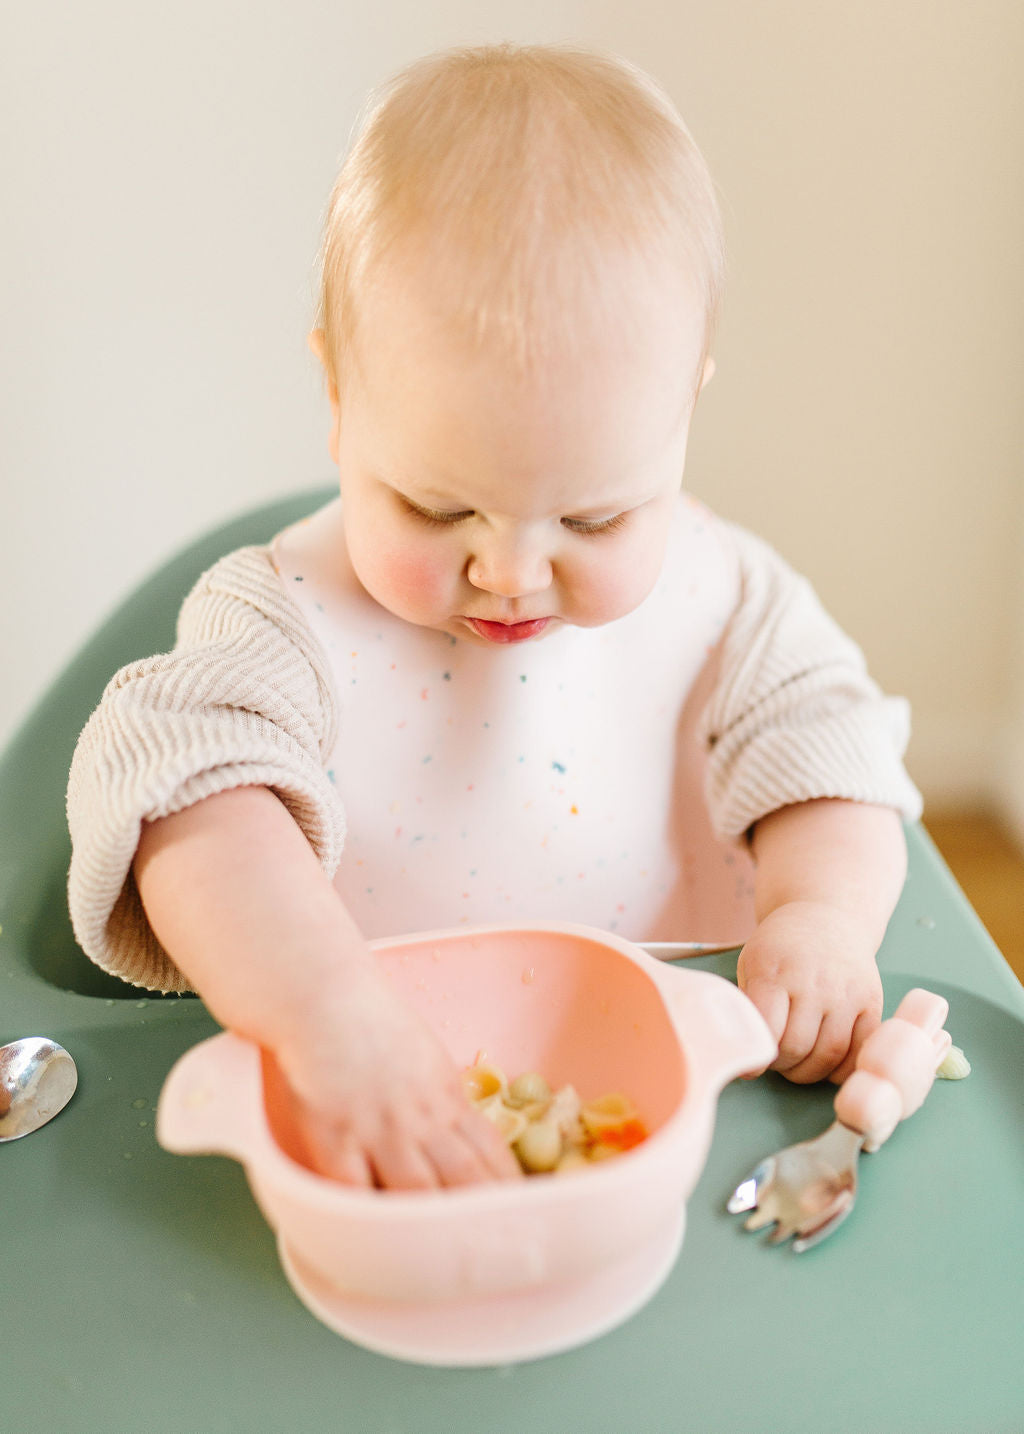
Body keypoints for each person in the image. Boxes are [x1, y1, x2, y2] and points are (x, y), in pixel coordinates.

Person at [67, 42, 922, 1191]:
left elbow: (835, 750)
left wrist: (822, 916)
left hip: (697, 1103)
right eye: (437, 505)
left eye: (595, 517)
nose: (511, 572)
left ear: (683, 412)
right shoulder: (284, 623)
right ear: (336, 398)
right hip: (371, 1104)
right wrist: (328, 1016)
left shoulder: (727, 601)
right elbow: (181, 793)